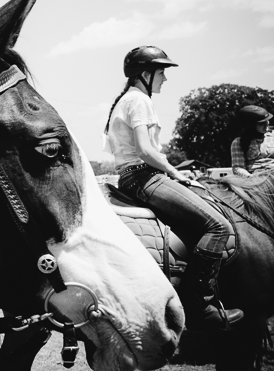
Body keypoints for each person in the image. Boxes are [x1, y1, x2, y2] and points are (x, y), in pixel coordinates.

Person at [103, 46, 243, 330]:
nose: (165, 78)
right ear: (146, 74)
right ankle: (200, 305)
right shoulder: (139, 100)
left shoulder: (128, 100)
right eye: (162, 71)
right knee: (219, 227)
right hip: (145, 177)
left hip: (135, 176)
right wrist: (175, 171)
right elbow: (144, 149)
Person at [230, 105, 274, 177]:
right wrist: (251, 177)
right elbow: (238, 168)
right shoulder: (238, 142)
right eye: (262, 123)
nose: (267, 124)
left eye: (267, 120)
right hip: (253, 181)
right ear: (251, 125)